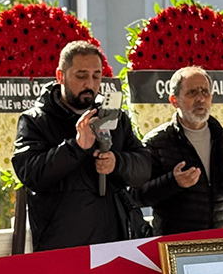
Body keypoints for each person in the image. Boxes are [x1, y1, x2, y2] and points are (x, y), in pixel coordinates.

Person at [13, 41, 151, 250]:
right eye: (81, 75)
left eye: (96, 76)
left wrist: (117, 163)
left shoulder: (113, 116)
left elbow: (144, 168)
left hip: (116, 244)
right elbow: (30, 174)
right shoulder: (35, 120)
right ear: (60, 76)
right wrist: (75, 147)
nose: (90, 84)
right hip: (64, 247)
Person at [139, 66, 223, 235]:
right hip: (176, 242)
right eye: (192, 92)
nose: (200, 98)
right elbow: (137, 196)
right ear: (174, 100)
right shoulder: (156, 142)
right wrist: (172, 182)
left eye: (205, 92)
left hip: (222, 239)